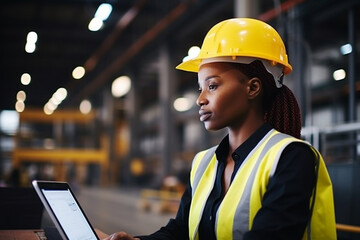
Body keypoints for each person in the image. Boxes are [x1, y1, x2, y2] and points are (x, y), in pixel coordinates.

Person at [104, 18, 336, 240]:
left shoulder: (292, 158)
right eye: (199, 89)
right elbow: (181, 231)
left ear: (253, 88)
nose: (200, 100)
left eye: (212, 86)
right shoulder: (203, 163)